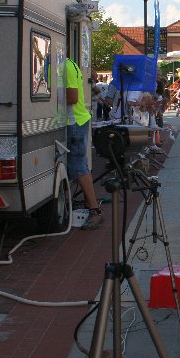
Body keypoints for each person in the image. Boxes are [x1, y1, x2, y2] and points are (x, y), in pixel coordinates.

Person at [65, 58, 102, 230]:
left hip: (75, 122)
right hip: (77, 120)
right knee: (81, 166)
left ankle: (95, 210)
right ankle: (90, 206)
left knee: (78, 167)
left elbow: (72, 97)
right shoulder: (69, 64)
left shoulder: (65, 66)